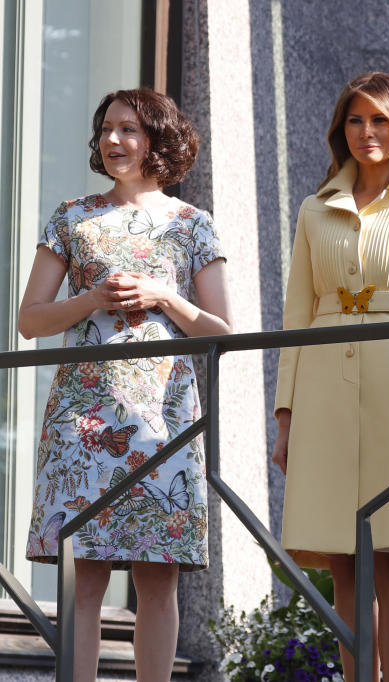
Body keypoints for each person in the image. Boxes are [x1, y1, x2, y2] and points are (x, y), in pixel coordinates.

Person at [18, 88, 231, 682]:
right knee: (83, 575)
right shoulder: (72, 216)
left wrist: (165, 296)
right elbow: (29, 319)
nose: (113, 140)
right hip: (83, 420)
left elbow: (221, 331)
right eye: (107, 129)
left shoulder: (193, 224)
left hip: (162, 418)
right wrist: (88, 300)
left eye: (129, 130)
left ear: (158, 140)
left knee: (157, 577)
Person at [270, 72, 389, 682]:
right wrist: (285, 416)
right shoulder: (313, 208)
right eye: (356, 120)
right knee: (342, 559)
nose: (367, 132)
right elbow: (296, 317)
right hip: (323, 389)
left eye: (380, 120)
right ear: (340, 128)